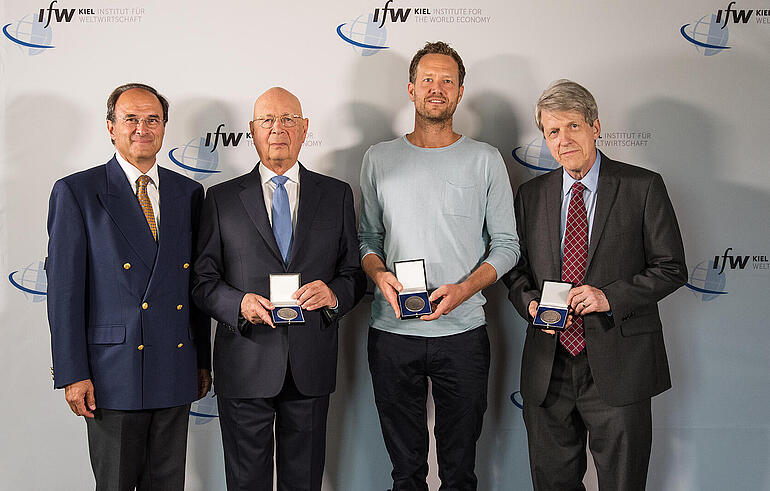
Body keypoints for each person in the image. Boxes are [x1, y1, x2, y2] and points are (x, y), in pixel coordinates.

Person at [503, 79, 687, 490]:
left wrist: (609, 297)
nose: (563, 139)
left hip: (620, 365)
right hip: (548, 367)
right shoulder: (530, 196)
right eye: (552, 131)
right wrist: (530, 304)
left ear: (595, 126)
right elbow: (514, 271)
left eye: (572, 126)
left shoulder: (643, 186)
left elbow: (672, 267)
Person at [358, 41, 520, 490]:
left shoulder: (485, 160)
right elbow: (367, 240)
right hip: (392, 334)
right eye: (427, 79)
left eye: (447, 80)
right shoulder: (378, 157)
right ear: (410, 89)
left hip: (463, 335)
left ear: (460, 91)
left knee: (459, 470)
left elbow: (507, 246)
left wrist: (464, 290)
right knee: (405, 472)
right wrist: (378, 273)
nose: (437, 88)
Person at [192, 87, 366, 491]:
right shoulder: (220, 199)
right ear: (251, 132)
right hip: (245, 362)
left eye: (288, 120)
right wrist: (239, 304)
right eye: (267, 120)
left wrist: (334, 294)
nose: (278, 129)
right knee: (246, 482)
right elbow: (202, 282)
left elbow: (355, 274)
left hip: (310, 364)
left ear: (304, 130)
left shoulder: (337, 194)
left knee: (303, 482)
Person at [46, 82, 211, 490]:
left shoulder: (188, 192)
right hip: (110, 375)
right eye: (131, 119)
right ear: (110, 127)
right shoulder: (78, 191)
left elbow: (192, 289)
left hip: (174, 367)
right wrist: (72, 372)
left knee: (168, 484)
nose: (142, 127)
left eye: (152, 119)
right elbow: (64, 294)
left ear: (164, 128)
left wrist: (201, 360)